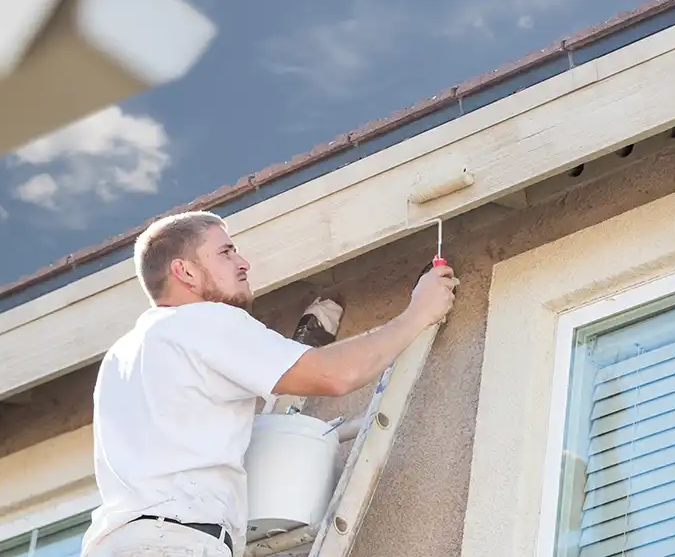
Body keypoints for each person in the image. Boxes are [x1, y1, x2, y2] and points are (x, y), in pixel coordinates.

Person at [81, 210, 458, 557]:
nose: (243, 263)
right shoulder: (203, 321)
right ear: (186, 272)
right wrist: (418, 313)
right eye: (226, 253)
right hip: (173, 543)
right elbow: (334, 375)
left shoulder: (124, 355)